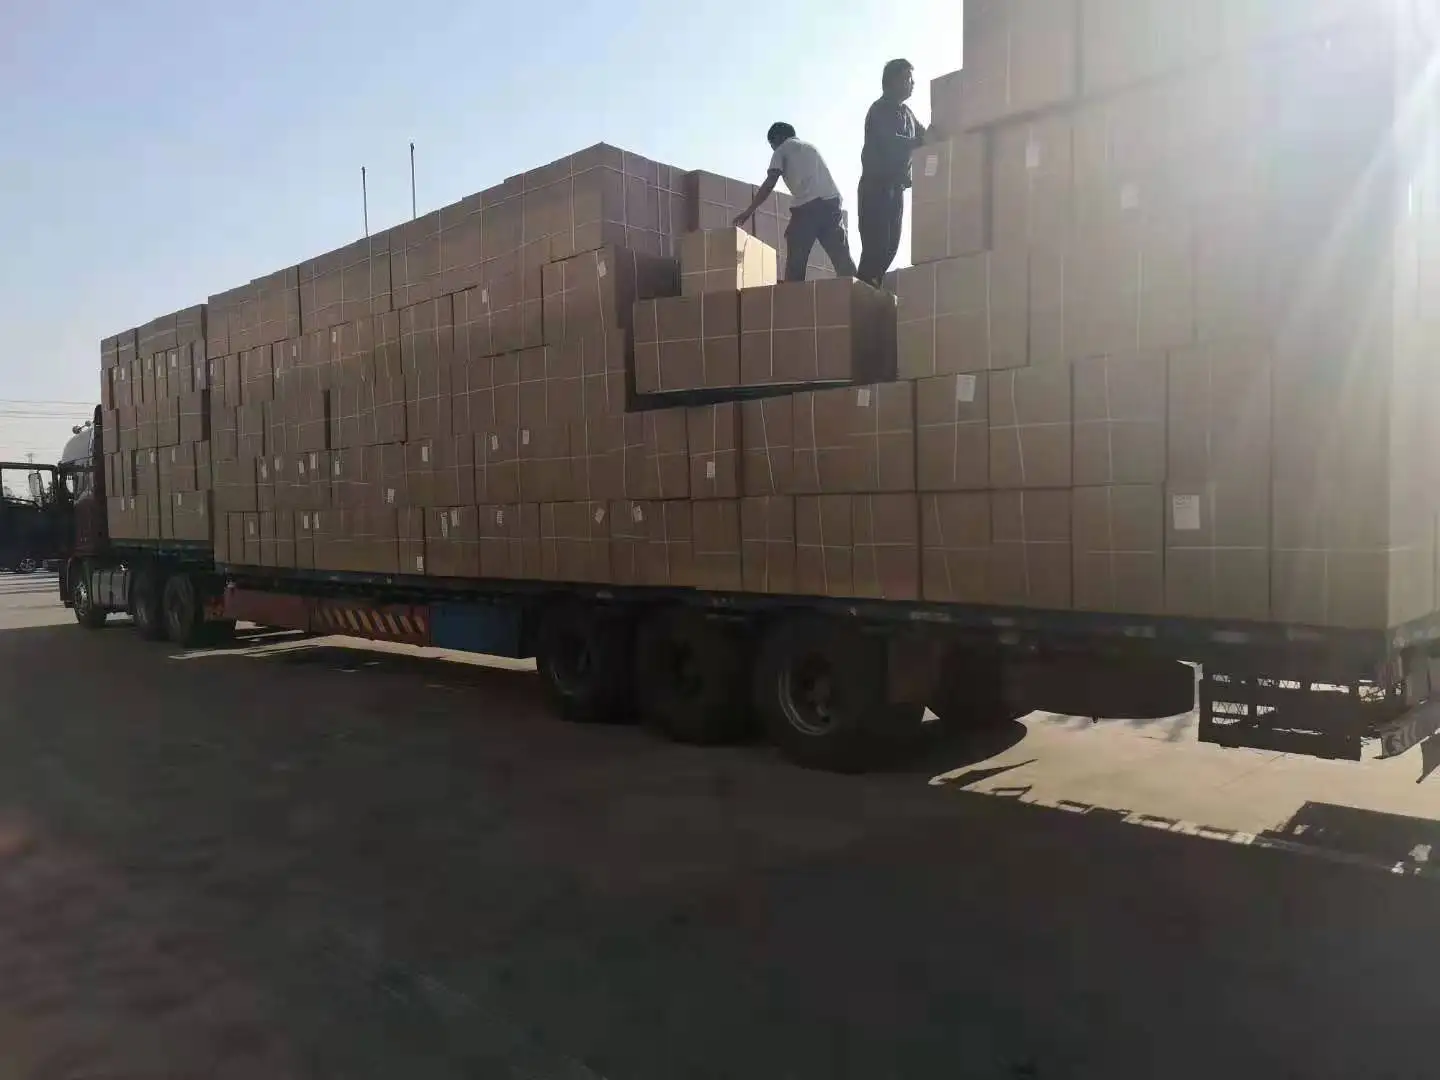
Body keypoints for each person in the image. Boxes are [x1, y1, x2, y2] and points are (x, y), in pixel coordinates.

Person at [733, 122, 857, 282]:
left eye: (771, 144)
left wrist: (748, 211)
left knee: (796, 256)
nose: (772, 149)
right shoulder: (810, 148)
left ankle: (793, 294)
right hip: (831, 204)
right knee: (841, 257)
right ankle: (859, 290)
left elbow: (770, 181)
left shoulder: (782, 150)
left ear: (778, 138)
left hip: (808, 207)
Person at [856, 58, 933, 288]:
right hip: (876, 187)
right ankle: (861, 293)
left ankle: (872, 289)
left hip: (896, 188)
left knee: (891, 245)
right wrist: (919, 142)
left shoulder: (907, 113)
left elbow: (925, 136)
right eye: (908, 78)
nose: (912, 83)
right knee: (875, 247)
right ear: (892, 81)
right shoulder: (879, 109)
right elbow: (891, 142)